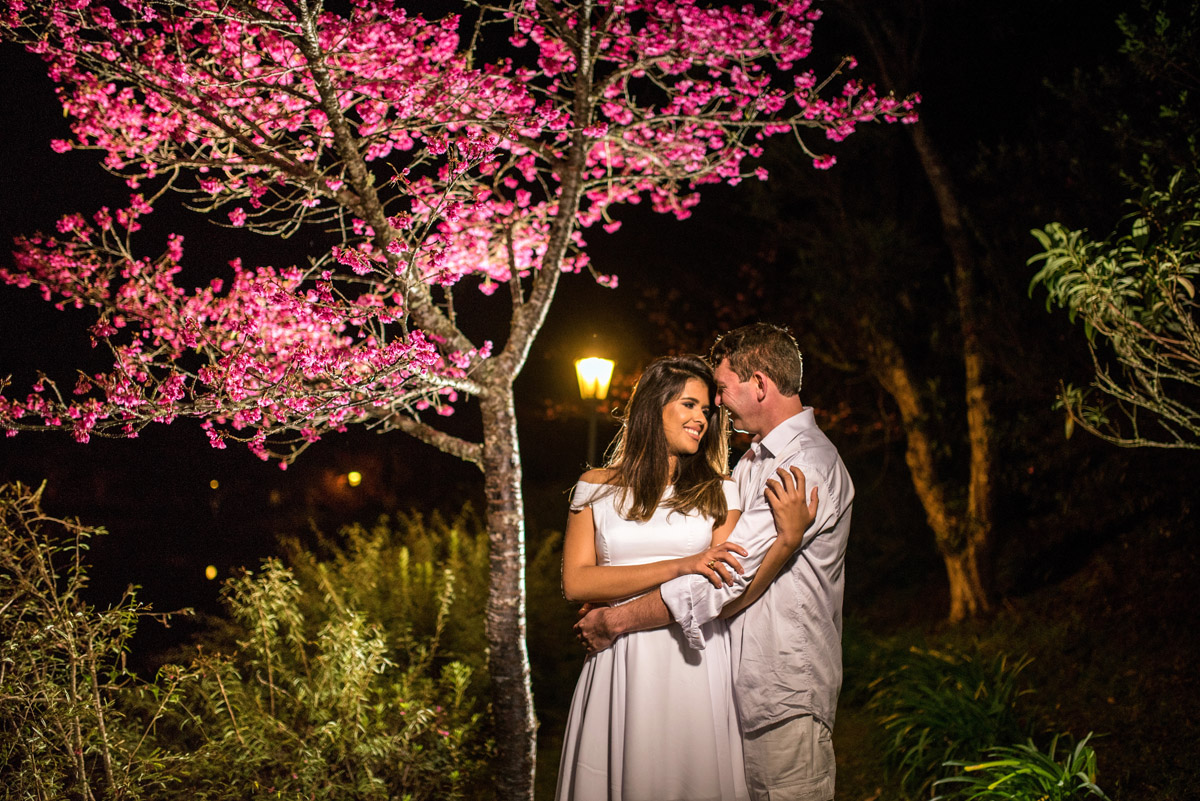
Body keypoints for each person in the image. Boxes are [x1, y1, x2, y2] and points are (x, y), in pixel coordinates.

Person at [575, 323, 854, 801]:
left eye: (720, 391)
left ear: (761, 384)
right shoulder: (751, 465)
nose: (716, 407)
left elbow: (719, 581)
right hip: (735, 688)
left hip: (781, 692)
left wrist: (615, 620)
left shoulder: (803, 465)